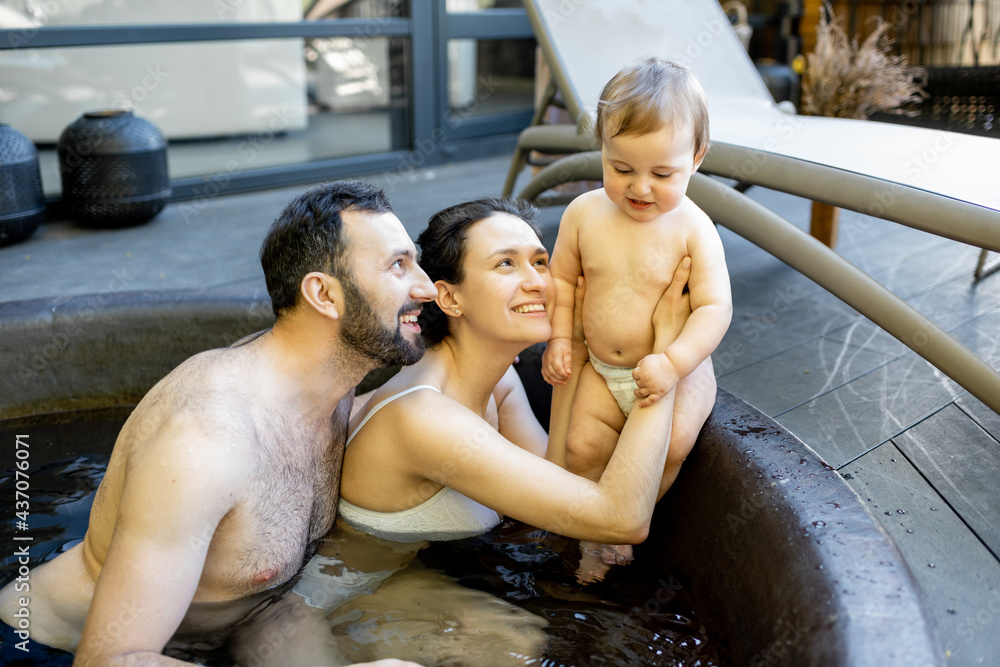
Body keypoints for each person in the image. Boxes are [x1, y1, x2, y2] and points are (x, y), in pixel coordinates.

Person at [227, 196, 696, 666]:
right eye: (506, 265)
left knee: (518, 638)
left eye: (540, 261)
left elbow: (557, 485)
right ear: (450, 297)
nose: (537, 281)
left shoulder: (498, 383)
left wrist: (572, 343)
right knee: (512, 646)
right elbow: (622, 518)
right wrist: (665, 361)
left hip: (404, 571)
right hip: (316, 611)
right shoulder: (426, 418)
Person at [0, 180, 432, 667]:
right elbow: (108, 661)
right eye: (399, 265)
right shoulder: (207, 442)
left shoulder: (327, 383)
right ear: (324, 296)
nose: (428, 288)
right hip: (46, 650)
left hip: (249, 619)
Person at [541, 57, 733, 581]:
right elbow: (562, 281)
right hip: (604, 370)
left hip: (681, 372)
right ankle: (593, 538)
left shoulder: (694, 228)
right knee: (582, 449)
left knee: (668, 448)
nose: (639, 188)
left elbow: (716, 308)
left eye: (662, 174)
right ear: (601, 149)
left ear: (696, 158)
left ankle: (632, 519)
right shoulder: (584, 214)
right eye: (620, 168)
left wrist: (673, 363)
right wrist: (559, 338)